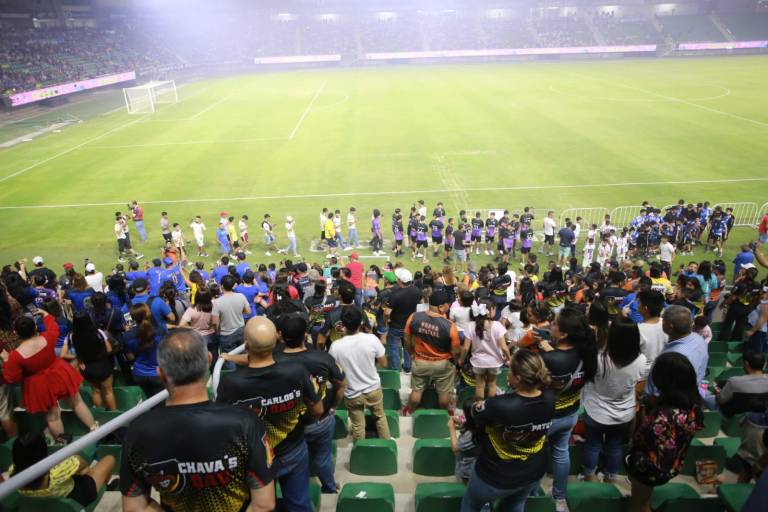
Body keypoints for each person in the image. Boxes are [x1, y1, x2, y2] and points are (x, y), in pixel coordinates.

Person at [121, 328, 275, 512]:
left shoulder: (138, 431)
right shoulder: (245, 422)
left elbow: (135, 507)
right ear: (209, 360)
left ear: (160, 374)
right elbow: (264, 504)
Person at [217, 317, 320, 512]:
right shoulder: (297, 371)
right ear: (276, 341)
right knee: (299, 504)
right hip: (293, 448)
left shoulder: (232, 383)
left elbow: (223, 425)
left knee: (259, 505)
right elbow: (318, 409)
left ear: (246, 344)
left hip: (254, 460)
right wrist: (301, 424)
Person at [460, 349, 555, 512]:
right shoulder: (550, 397)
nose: (507, 373)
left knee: (471, 504)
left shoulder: (500, 405)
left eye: (510, 369)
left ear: (518, 378)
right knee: (515, 505)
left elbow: (475, 412)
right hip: (533, 471)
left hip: (496, 476)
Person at [275, 315, 346, 494]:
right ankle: (329, 487)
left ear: (281, 335)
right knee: (322, 458)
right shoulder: (323, 358)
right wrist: (332, 407)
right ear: (305, 335)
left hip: (286, 425)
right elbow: (341, 384)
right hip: (320, 421)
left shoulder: (272, 360)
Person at [1, 311, 96, 441]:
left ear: (16, 333)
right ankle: (93, 427)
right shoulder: (47, 337)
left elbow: (12, 378)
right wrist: (45, 315)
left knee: (52, 415)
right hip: (59, 373)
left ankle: (63, 444)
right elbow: (54, 327)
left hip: (39, 385)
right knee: (77, 402)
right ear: (35, 327)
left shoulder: (15, 356)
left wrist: (6, 360)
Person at [537, 306, 597, 511]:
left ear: (563, 334)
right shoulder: (586, 352)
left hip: (547, 418)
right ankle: (560, 497)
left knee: (534, 454)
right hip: (570, 412)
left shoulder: (548, 359)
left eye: (554, 323)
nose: (550, 325)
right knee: (561, 453)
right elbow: (565, 363)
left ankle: (534, 494)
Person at [628, 353, 701, 512]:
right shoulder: (693, 406)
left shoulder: (663, 418)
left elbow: (643, 439)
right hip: (673, 465)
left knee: (638, 504)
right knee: (644, 498)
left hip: (649, 468)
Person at [581, 318, 646, 483]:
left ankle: (589, 476)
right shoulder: (641, 360)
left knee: (593, 444)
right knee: (614, 445)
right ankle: (610, 478)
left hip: (595, 411)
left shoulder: (599, 358)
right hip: (623, 413)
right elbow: (638, 383)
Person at [329, 306, 390, 442]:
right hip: (373, 389)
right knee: (380, 417)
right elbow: (384, 363)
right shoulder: (372, 339)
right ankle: (387, 445)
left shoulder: (335, 346)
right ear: (361, 322)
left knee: (358, 425)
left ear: (342, 324)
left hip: (352, 393)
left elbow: (334, 373)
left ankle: (360, 451)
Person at [13, 431, 115, 507]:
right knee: (110, 459)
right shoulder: (58, 471)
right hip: (74, 498)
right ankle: (104, 488)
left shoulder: (12, 475)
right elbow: (82, 463)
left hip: (39, 504)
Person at [404, 290, 462, 412]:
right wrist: (455, 362)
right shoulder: (450, 326)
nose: (449, 306)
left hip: (420, 361)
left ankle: (409, 411)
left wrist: (411, 353)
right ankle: (444, 413)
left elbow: (406, 339)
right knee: (444, 393)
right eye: (448, 304)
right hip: (442, 364)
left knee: (416, 391)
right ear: (441, 307)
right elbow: (456, 350)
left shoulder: (414, 317)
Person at [644, 305, 708, 397]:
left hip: (665, 401)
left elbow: (659, 391)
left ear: (670, 327)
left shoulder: (673, 358)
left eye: (663, 320)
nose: (661, 322)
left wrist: (648, 399)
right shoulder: (699, 339)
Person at [62, 311, 116, 411]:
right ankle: (114, 414)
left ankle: (101, 414)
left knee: (95, 391)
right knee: (108, 392)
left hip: (87, 368)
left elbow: (63, 355)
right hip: (103, 365)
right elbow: (109, 349)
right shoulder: (98, 332)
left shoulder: (70, 336)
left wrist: (78, 357)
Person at [463, 299, 511, 401]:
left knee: (479, 386)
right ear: (490, 310)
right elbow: (504, 348)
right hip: (494, 362)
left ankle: (479, 406)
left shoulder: (471, 326)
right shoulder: (497, 325)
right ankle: (490, 406)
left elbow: (466, 348)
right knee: (492, 385)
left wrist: (460, 360)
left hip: (478, 362)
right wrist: (509, 358)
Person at [707, 351, 768, 416]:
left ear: (746, 363)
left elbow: (721, 400)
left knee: (707, 397)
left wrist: (718, 393)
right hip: (761, 417)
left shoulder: (734, 381)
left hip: (733, 418)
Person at [122, 303, 164, 398]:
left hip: (139, 374)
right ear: (149, 314)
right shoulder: (160, 331)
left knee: (149, 400)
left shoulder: (127, 336)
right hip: (158, 373)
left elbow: (130, 357)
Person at [383, 267, 421, 372]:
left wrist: (386, 320)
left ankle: (396, 369)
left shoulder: (395, 294)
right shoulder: (417, 290)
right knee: (408, 346)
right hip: (410, 325)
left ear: (400, 280)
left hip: (396, 326)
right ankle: (408, 366)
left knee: (394, 347)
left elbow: (387, 312)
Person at [212, 275, 251, 369]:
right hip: (240, 331)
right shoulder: (241, 296)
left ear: (221, 286)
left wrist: (217, 332)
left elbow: (215, 323)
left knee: (229, 359)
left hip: (226, 335)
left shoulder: (217, 302)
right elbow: (248, 311)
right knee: (242, 355)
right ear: (233, 285)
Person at [179, 288, 217, 364]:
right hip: (211, 335)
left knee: (199, 360)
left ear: (196, 297)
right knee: (213, 359)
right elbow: (215, 322)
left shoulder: (192, 309)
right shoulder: (214, 307)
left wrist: (192, 328)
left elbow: (181, 325)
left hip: (197, 337)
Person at [636, 290, 667, 379]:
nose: (637, 305)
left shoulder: (638, 329)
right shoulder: (667, 323)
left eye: (639, 303)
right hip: (663, 370)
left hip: (643, 374)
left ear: (645, 308)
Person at [448, 398, 479, 484]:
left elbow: (455, 448)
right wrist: (461, 421)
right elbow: (466, 420)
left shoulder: (472, 434)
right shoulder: (481, 423)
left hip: (468, 470)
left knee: (466, 486)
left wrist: (451, 428)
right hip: (475, 467)